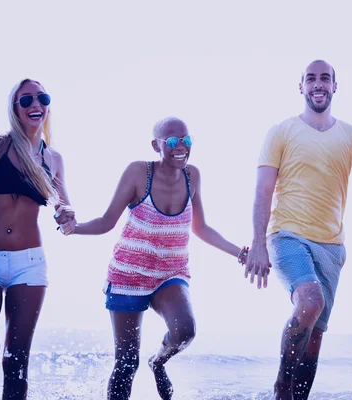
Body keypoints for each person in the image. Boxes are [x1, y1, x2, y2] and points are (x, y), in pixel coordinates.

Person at [59, 117, 248, 400]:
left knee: (185, 330)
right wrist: (74, 229)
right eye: (172, 141)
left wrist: (240, 253)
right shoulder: (138, 173)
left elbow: (202, 228)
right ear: (156, 145)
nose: (181, 146)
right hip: (128, 275)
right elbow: (107, 221)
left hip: (170, 274)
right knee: (126, 363)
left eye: (186, 140)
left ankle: (158, 361)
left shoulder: (192, 176)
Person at [245, 60, 352, 400]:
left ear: (335, 86)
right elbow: (262, 191)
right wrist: (257, 242)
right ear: (301, 87)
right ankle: (281, 387)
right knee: (310, 303)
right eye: (311, 79)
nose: (318, 84)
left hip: (332, 247)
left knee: (315, 338)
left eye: (325, 78)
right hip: (287, 235)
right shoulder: (281, 131)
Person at [0, 79, 75, 399]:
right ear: (15, 109)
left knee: (17, 364)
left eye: (42, 98)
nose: (35, 104)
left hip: (29, 265)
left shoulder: (53, 159)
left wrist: (67, 217)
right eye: (25, 100)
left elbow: (64, 209)